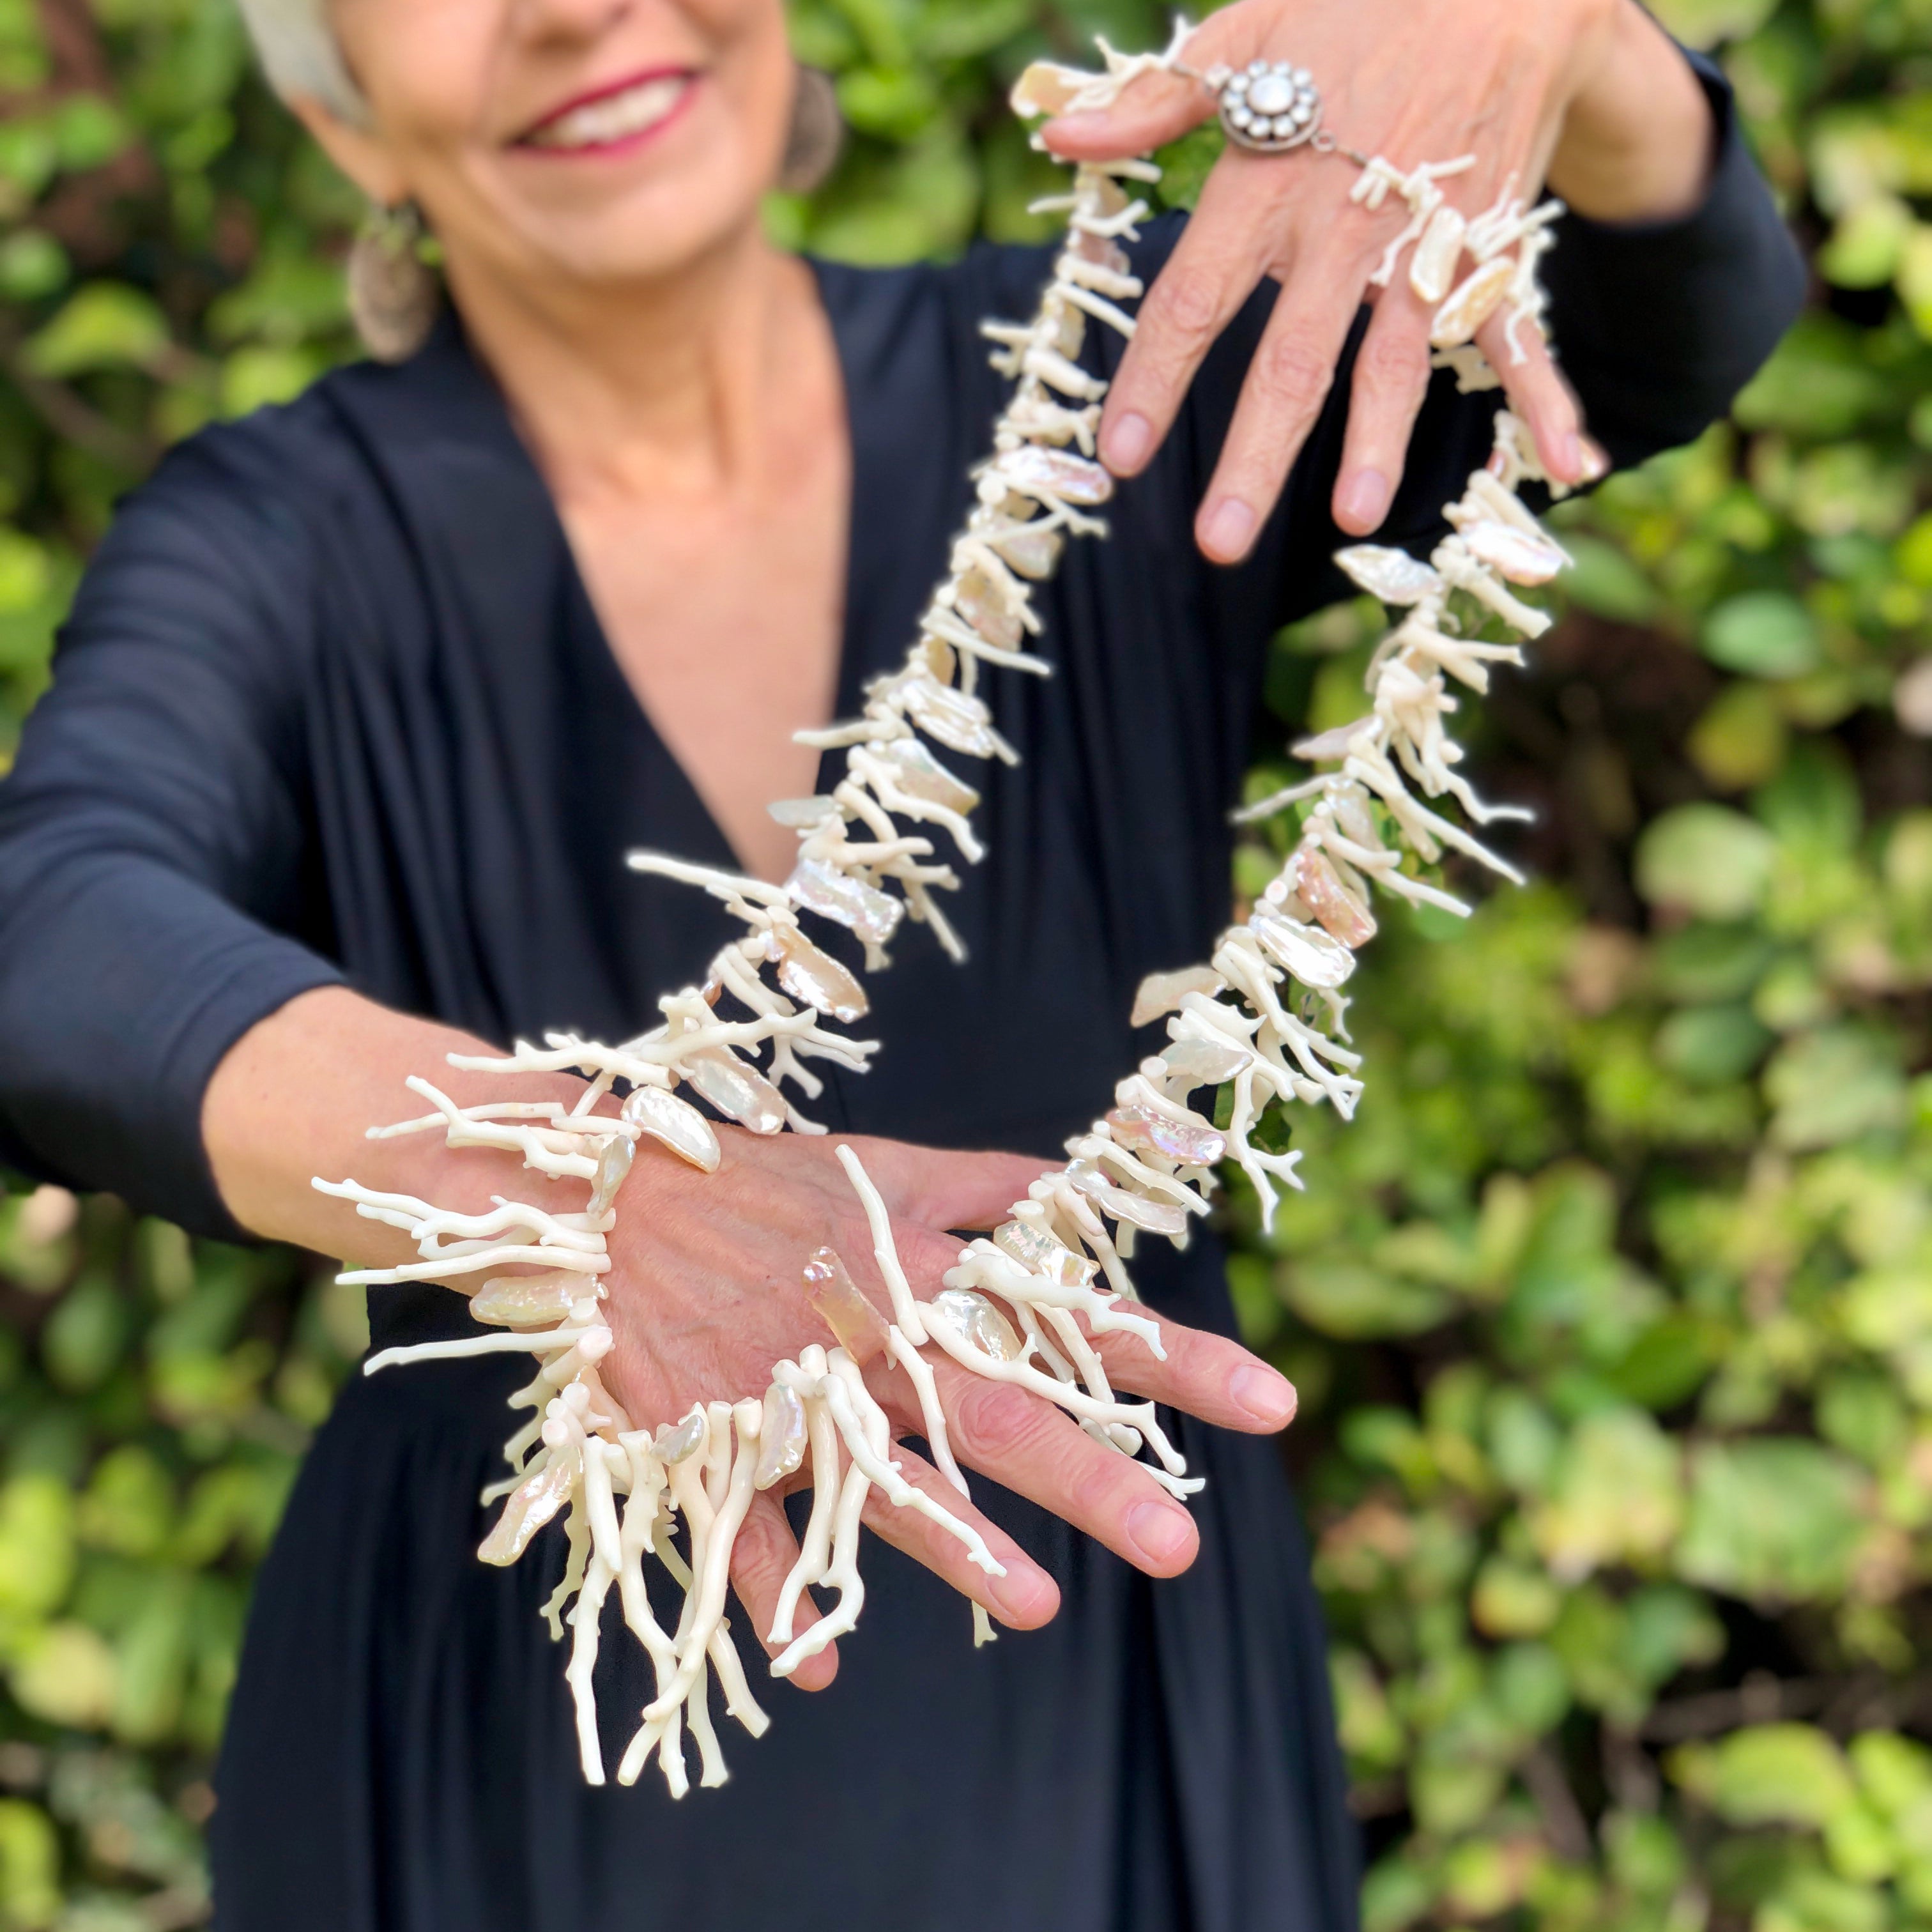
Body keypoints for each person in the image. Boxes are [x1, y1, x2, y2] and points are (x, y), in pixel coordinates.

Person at [0, 0, 1801, 1925]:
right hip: (527, 1767)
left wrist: (1550, 31)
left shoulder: (1124, 372)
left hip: (1113, 1712)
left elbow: (1642, 321)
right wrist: (579, 1189)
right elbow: (50, 936)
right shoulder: (275, 538)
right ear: (345, 118)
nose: (573, 9)